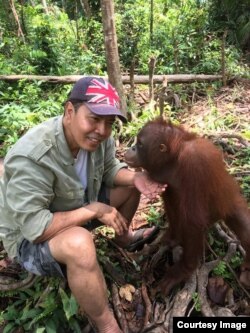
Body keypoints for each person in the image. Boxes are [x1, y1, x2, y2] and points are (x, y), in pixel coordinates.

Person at [0, 76, 166, 333]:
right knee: (79, 243)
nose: (101, 130)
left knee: (130, 186)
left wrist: (137, 178)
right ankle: (107, 325)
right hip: (29, 238)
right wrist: (94, 210)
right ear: (69, 112)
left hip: (74, 204)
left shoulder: (97, 138)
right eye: (94, 119)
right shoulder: (32, 156)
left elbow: (110, 169)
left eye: (109, 123)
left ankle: (125, 238)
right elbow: (35, 228)